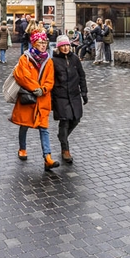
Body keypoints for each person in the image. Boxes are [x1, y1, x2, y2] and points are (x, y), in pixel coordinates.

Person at [11, 31, 59, 171]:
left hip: (42, 99)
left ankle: (47, 157)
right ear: (34, 43)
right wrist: (35, 89)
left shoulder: (48, 60)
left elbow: (50, 80)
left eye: (45, 43)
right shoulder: (25, 58)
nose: (43, 46)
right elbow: (21, 76)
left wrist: (43, 90)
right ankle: (22, 148)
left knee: (44, 128)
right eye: (40, 43)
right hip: (28, 98)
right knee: (24, 125)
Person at [51, 35, 89, 164]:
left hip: (74, 95)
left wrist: (84, 92)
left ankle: (63, 136)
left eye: (67, 45)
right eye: (62, 46)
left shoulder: (75, 59)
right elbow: (50, 80)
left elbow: (81, 75)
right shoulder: (54, 61)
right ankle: (65, 150)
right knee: (65, 121)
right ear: (58, 47)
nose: (65, 48)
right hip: (60, 96)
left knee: (76, 119)